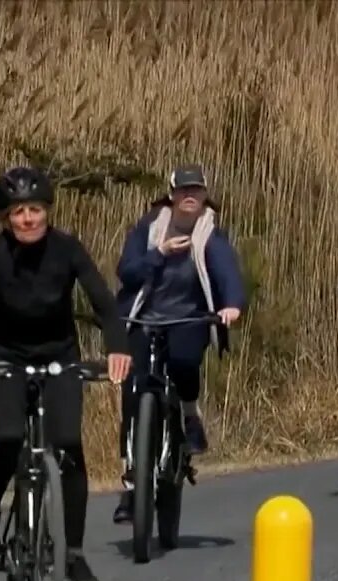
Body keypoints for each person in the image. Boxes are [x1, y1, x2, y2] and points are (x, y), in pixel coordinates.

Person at [0, 166, 130, 581]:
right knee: (9, 436)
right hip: (4, 359)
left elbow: (104, 302)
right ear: (4, 219)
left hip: (58, 358)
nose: (28, 219)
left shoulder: (67, 249)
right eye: (18, 212)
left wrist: (118, 347)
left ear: (47, 210)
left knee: (68, 446)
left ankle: (74, 557)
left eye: (35, 209)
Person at [111, 164, 247, 524]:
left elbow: (227, 272)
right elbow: (126, 272)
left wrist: (231, 304)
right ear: (171, 195)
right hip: (143, 318)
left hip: (188, 318)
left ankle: (188, 415)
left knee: (185, 362)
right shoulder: (148, 228)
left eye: (196, 190)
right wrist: (159, 252)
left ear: (204, 196)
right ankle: (131, 485)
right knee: (133, 393)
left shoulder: (209, 233)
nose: (190, 196)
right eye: (183, 190)